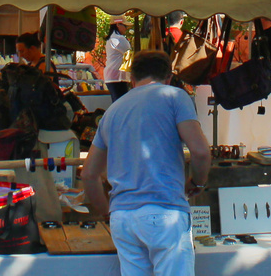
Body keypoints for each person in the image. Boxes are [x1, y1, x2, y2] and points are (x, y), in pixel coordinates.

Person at [83, 51, 210, 276]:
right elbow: (200, 151)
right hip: (164, 210)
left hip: (123, 216)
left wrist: (107, 213)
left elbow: (89, 175)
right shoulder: (175, 97)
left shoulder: (112, 111)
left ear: (132, 80)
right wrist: (197, 183)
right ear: (169, 77)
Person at [102, 16, 132, 102]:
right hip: (117, 77)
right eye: (125, 26)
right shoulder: (119, 39)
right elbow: (129, 56)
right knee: (120, 104)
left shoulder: (112, 39)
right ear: (118, 24)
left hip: (112, 76)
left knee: (117, 103)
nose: (126, 28)